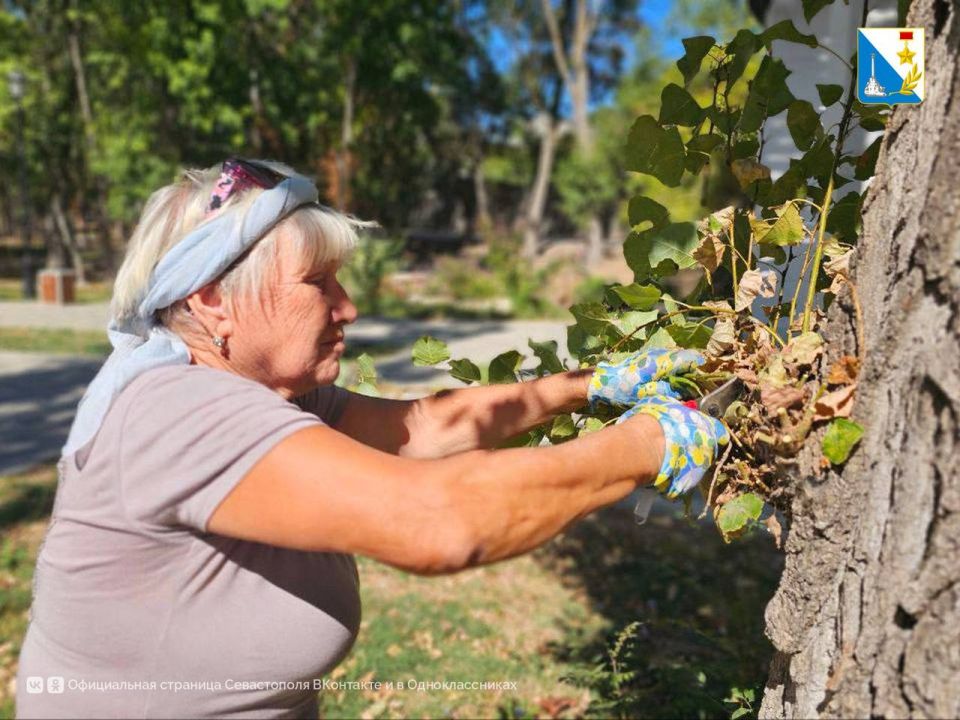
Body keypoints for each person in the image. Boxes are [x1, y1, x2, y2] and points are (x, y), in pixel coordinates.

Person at [15, 159, 728, 719]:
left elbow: (421, 428)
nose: (348, 307)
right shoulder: (178, 411)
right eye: (319, 282)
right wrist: (647, 445)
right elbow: (439, 522)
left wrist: (586, 386)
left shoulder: (267, 393)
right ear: (210, 299)